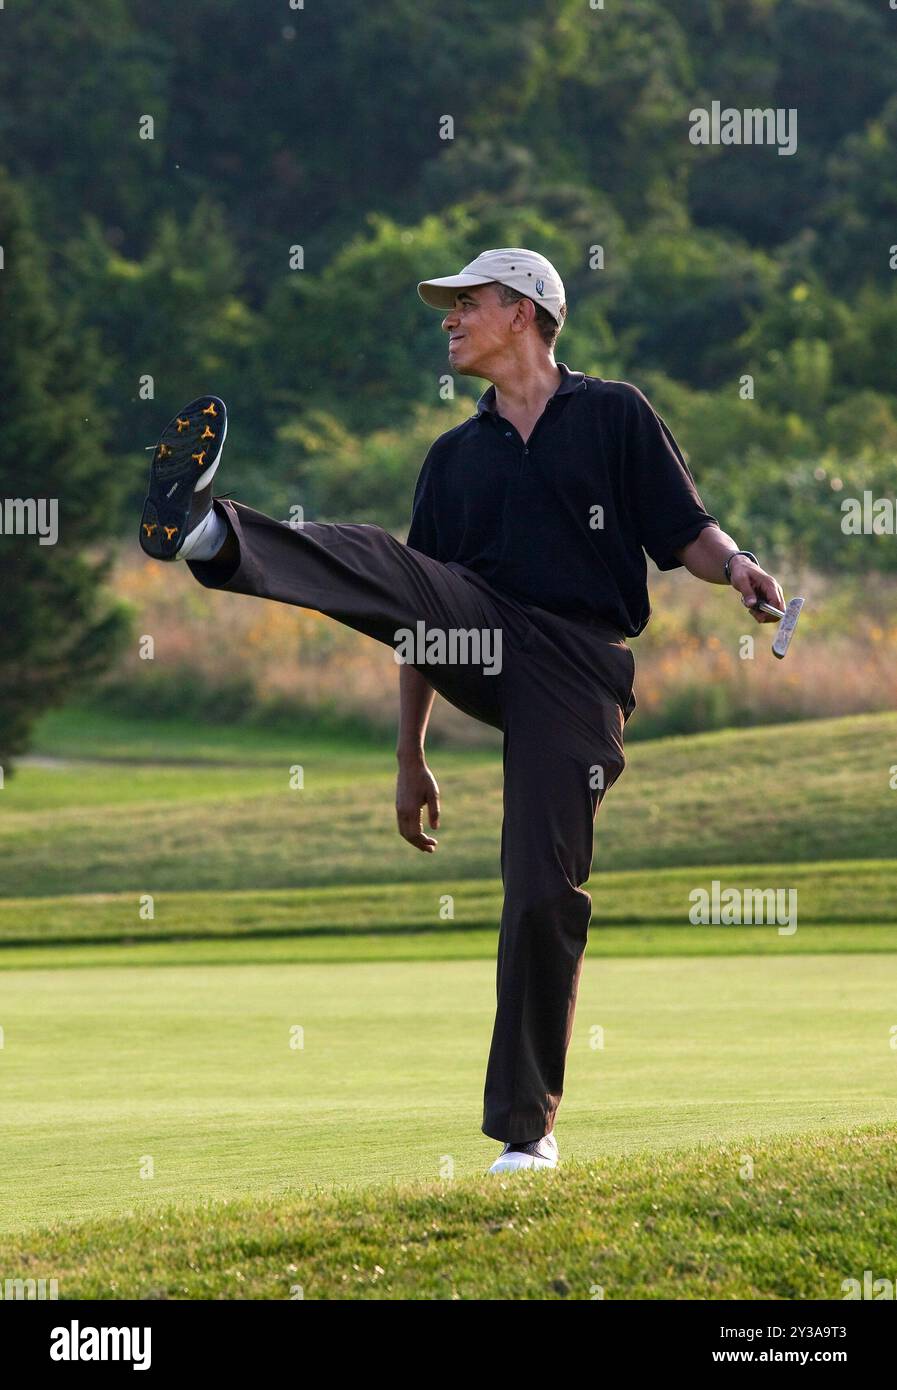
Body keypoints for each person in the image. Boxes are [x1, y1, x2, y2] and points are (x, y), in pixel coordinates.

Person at [138, 247, 785, 1173]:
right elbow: (410, 608)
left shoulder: (614, 413)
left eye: (465, 303)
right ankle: (210, 531)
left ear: (523, 312)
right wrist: (409, 752)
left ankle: (528, 1132)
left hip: (579, 669)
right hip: (478, 632)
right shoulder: (454, 456)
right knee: (381, 559)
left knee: (540, 889)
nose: (448, 319)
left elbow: (683, 529)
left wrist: (736, 569)